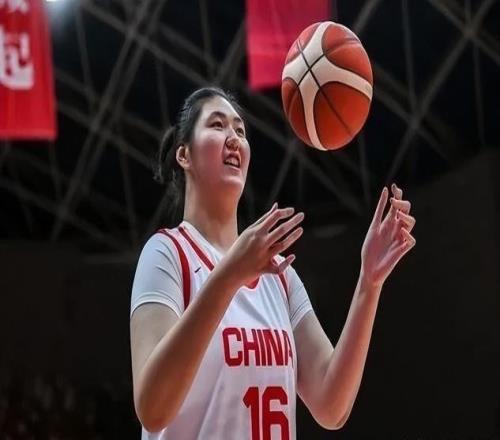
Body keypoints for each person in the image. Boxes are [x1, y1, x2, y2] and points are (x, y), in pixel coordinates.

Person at [130, 87, 416, 439]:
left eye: (240, 130)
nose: (233, 138)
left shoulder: (279, 275)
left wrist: (369, 283)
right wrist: (228, 276)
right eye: (217, 125)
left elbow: (332, 406)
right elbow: (152, 409)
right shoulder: (167, 253)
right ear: (184, 155)